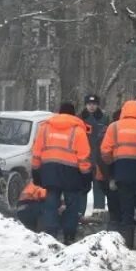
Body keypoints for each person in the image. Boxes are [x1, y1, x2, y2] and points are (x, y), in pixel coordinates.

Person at [31, 102, 92, 243]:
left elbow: (36, 152)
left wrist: (35, 171)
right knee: (72, 205)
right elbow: (83, 157)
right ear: (74, 114)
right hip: (71, 173)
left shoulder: (44, 127)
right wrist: (86, 176)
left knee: (51, 204)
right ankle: (69, 236)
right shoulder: (78, 130)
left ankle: (50, 235)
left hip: (49, 170)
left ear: (59, 112)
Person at [100, 100, 136, 248]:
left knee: (126, 207)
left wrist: (111, 164)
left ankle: (128, 243)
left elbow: (105, 151)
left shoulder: (114, 127)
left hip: (122, 171)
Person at [79, 94, 109, 218]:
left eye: (94, 104)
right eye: (89, 104)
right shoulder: (80, 118)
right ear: (85, 105)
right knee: (82, 188)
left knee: (99, 188)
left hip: (99, 160)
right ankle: (79, 214)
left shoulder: (104, 118)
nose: (91, 106)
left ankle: (98, 214)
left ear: (97, 105)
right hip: (84, 159)